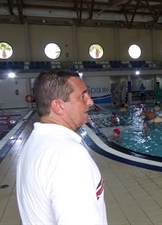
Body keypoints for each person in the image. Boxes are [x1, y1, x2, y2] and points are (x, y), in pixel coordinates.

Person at [16, 70, 108, 225]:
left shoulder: (33, 143)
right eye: (82, 96)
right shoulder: (68, 155)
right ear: (58, 106)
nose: (90, 101)